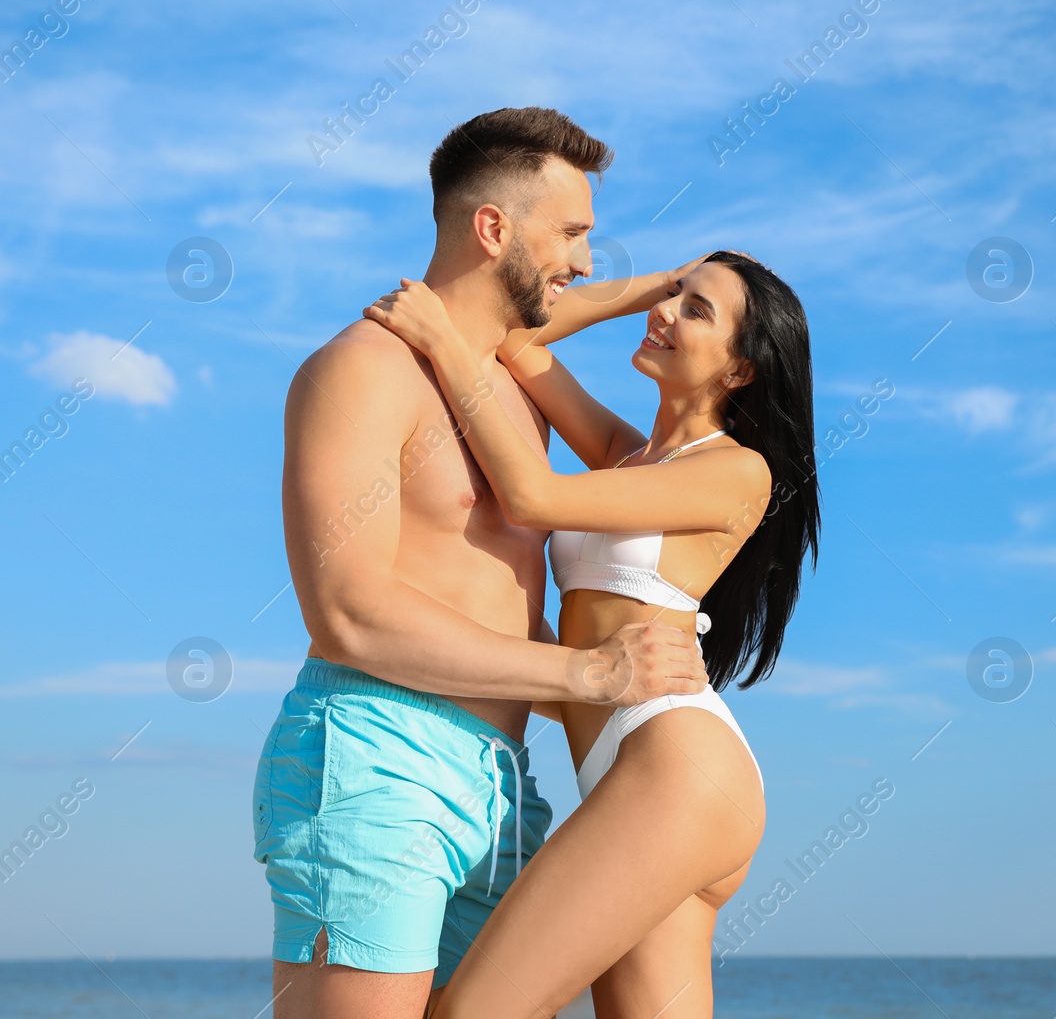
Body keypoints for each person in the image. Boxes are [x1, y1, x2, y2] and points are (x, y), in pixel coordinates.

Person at [254, 106, 712, 1019]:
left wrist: (675, 283)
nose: (586, 261)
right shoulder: (362, 371)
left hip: (500, 778)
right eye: (574, 233)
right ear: (493, 228)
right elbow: (346, 613)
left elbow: (492, 608)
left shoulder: (505, 384)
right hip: (377, 753)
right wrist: (584, 672)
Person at [362, 247, 819, 1018]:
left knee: (468, 1012)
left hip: (678, 769)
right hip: (624, 773)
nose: (666, 315)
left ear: (740, 370)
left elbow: (532, 497)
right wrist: (655, 284)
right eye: (675, 298)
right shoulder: (624, 458)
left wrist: (440, 338)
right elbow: (516, 338)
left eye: (696, 310)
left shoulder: (740, 472)